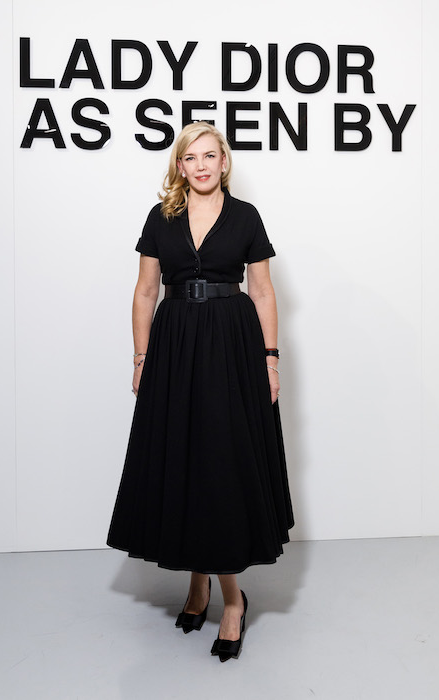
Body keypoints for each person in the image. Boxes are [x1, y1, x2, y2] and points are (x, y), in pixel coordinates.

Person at [107, 121, 294, 662]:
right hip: (175, 346)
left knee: (222, 464)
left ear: (224, 161)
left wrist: (270, 359)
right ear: (180, 166)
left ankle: (232, 599)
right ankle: (197, 583)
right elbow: (145, 292)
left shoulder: (245, 217)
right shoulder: (160, 217)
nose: (202, 165)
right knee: (183, 458)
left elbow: (262, 291)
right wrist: (141, 358)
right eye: (191, 158)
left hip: (232, 345)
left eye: (210, 155)